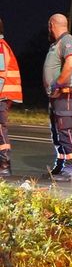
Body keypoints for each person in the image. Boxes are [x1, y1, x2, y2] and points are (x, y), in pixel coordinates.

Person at [43, 13, 72, 181]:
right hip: (57, 96)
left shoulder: (67, 41)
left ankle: (71, 166)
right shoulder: (58, 43)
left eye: (49, 26)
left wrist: (58, 84)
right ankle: (61, 163)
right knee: (56, 131)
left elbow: (71, 63)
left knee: (64, 129)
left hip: (66, 94)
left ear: (52, 25)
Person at [0, 17, 24, 178]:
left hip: (2, 94)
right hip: (5, 94)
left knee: (0, 129)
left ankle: (4, 164)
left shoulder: (0, 47)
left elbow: (1, 74)